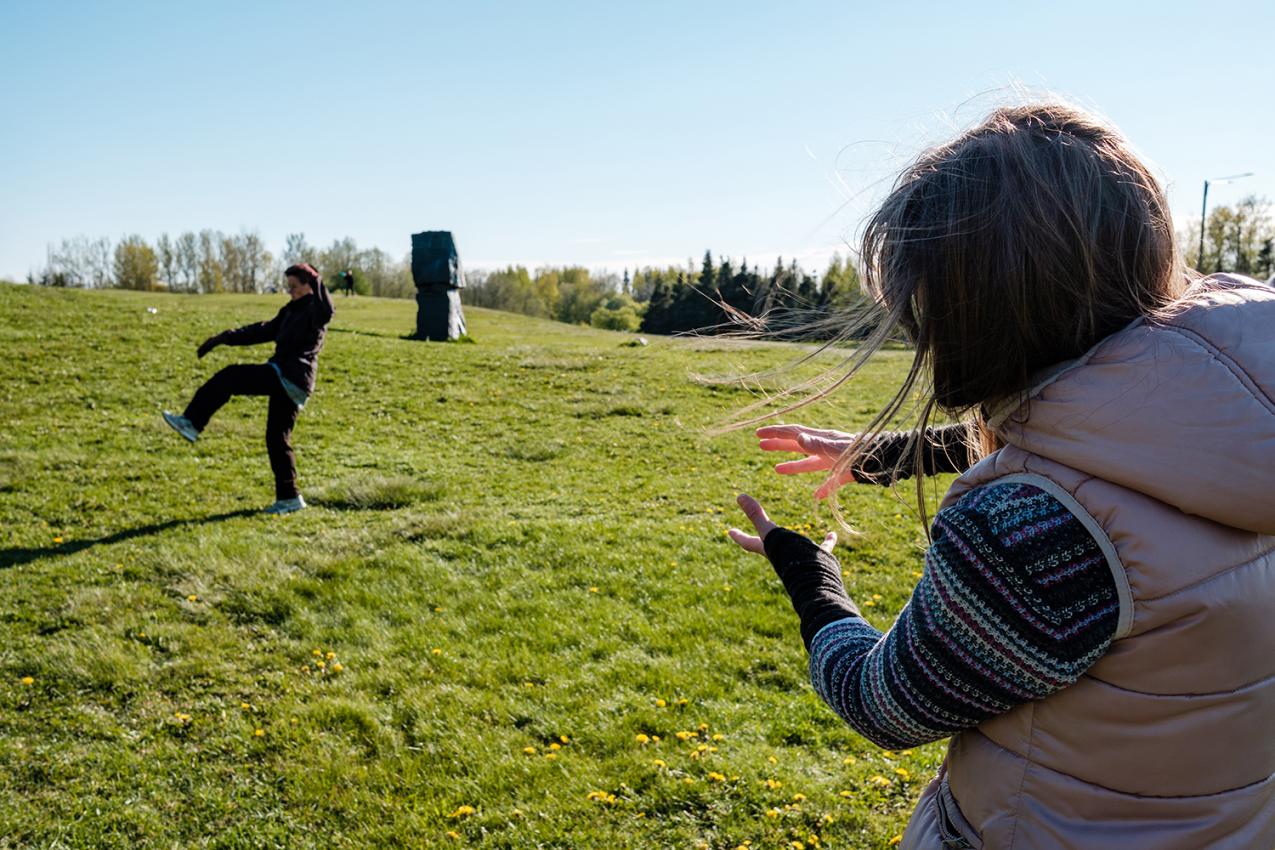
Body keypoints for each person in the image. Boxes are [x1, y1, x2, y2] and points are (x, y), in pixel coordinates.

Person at [725, 103, 1275, 849]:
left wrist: (809, 574)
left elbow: (882, 703)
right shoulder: (1238, 422)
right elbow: (1109, 438)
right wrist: (889, 454)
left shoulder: (1038, 535)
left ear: (970, 304)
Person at [162, 263, 335, 514]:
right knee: (277, 439)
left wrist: (317, 278)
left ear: (310, 284)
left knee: (230, 376)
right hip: (288, 381)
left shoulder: (315, 311)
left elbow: (328, 310)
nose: (291, 291)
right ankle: (290, 498)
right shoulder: (290, 311)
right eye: (289, 287)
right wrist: (223, 338)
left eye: (295, 287)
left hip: (290, 376)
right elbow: (261, 331)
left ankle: (191, 422)